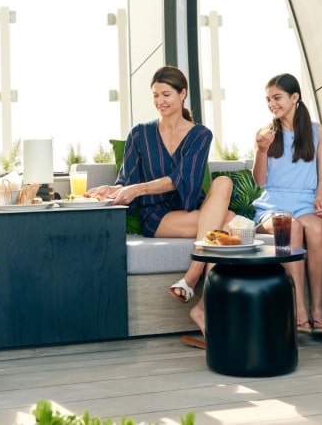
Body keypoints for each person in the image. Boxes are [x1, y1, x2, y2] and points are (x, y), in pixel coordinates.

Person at [90, 65, 234, 344]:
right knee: (228, 225)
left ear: (183, 94)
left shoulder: (200, 134)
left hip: (191, 208)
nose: (160, 101)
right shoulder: (139, 134)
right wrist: (114, 189)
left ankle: (195, 286)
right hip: (158, 216)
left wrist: (138, 188)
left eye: (166, 94)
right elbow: (127, 180)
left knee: (224, 183)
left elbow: (183, 180)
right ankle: (202, 305)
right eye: (155, 95)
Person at [251, 73, 322, 335]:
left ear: (294, 97)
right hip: (272, 205)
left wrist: (320, 198)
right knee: (291, 227)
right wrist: (261, 151)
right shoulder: (264, 134)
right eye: (268, 100)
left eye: (277, 98)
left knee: (317, 229)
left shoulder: (317, 131)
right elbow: (260, 181)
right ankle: (298, 309)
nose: (272, 104)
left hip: (306, 202)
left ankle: (318, 310)